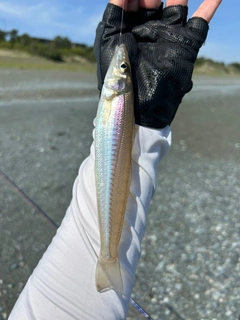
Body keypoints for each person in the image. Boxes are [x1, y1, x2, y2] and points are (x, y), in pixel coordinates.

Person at [9, 0, 222, 319]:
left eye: (121, 69)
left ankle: (109, 259)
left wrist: (140, 121)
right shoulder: (117, 90)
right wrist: (147, 130)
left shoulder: (117, 87)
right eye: (122, 68)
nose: (120, 64)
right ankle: (109, 259)